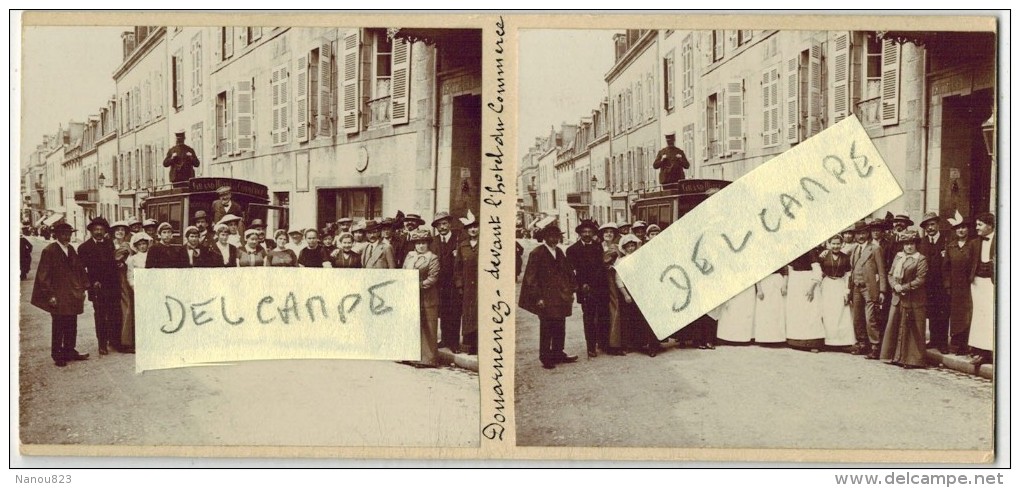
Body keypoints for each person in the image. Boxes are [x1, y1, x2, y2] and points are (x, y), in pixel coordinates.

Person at [30, 222, 90, 367]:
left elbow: (80, 270)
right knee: (59, 325)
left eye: (69, 233)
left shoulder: (70, 249)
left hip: (72, 294)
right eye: (63, 233)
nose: (67, 236)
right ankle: (57, 355)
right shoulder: (49, 251)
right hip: (58, 294)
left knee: (71, 323)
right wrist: (50, 295)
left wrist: (84, 287)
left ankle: (70, 350)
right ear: (56, 234)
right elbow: (43, 276)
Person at [519, 225, 578, 369]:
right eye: (551, 236)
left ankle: (558, 352)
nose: (554, 239)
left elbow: (568, 272)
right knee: (547, 326)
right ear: (545, 237)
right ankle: (545, 357)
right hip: (545, 297)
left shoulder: (559, 252)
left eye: (557, 236)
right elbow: (530, 278)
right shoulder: (537, 253)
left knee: (560, 325)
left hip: (560, 296)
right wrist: (537, 297)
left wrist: (571, 290)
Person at [879, 229, 929, 368]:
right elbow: (890, 274)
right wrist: (895, 285)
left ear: (916, 244)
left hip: (914, 298)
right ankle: (894, 356)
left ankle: (912, 360)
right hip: (898, 297)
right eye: (906, 243)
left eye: (912, 243)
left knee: (913, 328)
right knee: (895, 325)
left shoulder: (920, 259)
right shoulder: (898, 257)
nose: (909, 246)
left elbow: (920, 279)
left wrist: (904, 287)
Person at [77, 217, 123, 355]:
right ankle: (102, 344)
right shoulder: (84, 248)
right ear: (91, 231)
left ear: (105, 231)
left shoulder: (110, 244)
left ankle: (115, 342)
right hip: (98, 287)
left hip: (112, 285)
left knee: (115, 314)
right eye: (96, 229)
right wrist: (91, 283)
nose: (98, 232)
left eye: (101, 229)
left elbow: (113, 263)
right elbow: (81, 270)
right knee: (101, 316)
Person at [566, 219, 609, 358]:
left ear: (593, 233)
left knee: (603, 316)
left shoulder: (598, 246)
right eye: (584, 232)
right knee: (589, 318)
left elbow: (601, 267)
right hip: (586, 289)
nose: (587, 234)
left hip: (601, 287)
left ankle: (602, 343)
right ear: (579, 233)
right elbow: (571, 271)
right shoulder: (572, 250)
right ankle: (591, 347)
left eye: (590, 231)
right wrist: (581, 284)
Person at [614, 234, 660, 356]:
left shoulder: (642, 258)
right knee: (632, 320)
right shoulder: (621, 261)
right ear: (624, 248)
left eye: (632, 245)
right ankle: (634, 344)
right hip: (629, 292)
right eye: (628, 246)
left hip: (644, 292)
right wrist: (625, 294)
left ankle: (652, 346)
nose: (631, 248)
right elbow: (618, 280)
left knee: (648, 319)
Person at [402, 228, 441, 368]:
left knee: (428, 327)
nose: (421, 246)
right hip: (411, 295)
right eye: (418, 243)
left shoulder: (432, 257)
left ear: (428, 244)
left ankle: (427, 359)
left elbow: (433, 277)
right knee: (412, 324)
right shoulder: (410, 256)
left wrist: (417, 285)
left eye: (424, 243)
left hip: (427, 296)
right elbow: (404, 270)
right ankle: (409, 355)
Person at [849, 220, 888, 359]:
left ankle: (875, 346)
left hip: (870, 287)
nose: (861, 236)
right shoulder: (854, 249)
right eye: (858, 233)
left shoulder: (875, 248)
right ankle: (862, 343)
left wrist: (882, 290)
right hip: (856, 287)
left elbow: (882, 271)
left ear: (868, 234)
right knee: (857, 317)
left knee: (870, 317)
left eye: (864, 233)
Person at [942, 213, 976, 355]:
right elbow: (946, 267)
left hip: (969, 285)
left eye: (963, 228)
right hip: (955, 287)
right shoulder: (951, 246)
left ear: (967, 229)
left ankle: (967, 344)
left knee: (968, 313)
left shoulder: (973, 245)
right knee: (957, 315)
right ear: (955, 231)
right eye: (958, 228)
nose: (961, 230)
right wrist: (948, 285)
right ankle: (957, 343)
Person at [917, 212, 950, 353]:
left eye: (932, 224)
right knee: (930, 311)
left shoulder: (947, 240)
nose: (930, 228)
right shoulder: (921, 242)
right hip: (927, 285)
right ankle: (934, 339)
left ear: (938, 224)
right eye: (927, 226)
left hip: (942, 284)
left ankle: (942, 342)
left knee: (942, 312)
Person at [430, 211, 462, 353]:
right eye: (439, 225)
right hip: (439, 283)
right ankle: (444, 339)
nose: (442, 227)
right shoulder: (433, 241)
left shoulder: (458, 239)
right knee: (442, 311)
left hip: (454, 282)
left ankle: (454, 342)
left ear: (449, 224)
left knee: (454, 311)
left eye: (444, 223)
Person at [818, 234, 855, 350]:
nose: (835, 246)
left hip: (839, 285)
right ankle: (826, 341)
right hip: (827, 285)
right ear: (829, 244)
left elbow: (848, 275)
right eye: (833, 244)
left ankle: (841, 341)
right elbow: (819, 271)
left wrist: (847, 290)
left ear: (842, 244)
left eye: (838, 244)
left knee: (840, 312)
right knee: (827, 311)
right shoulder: (824, 256)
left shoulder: (845, 257)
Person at [968, 212, 995, 365]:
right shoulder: (974, 243)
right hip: (977, 283)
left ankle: (990, 351)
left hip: (992, 284)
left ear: (990, 226)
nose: (977, 227)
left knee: (991, 315)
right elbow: (969, 264)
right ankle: (979, 350)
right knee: (979, 315)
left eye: (980, 224)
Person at [455, 212, 481, 355]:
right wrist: (459, 285)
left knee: (479, 313)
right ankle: (469, 344)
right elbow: (457, 267)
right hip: (467, 286)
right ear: (466, 230)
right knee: (469, 314)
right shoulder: (462, 246)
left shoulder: (485, 243)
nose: (473, 230)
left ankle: (479, 345)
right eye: (470, 228)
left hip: (481, 285)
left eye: (475, 227)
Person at [110, 221, 136, 353]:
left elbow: (132, 261)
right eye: (117, 230)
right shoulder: (109, 245)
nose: (120, 232)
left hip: (124, 279)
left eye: (122, 230)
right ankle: (114, 340)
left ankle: (126, 341)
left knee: (127, 308)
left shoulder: (128, 245)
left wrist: (123, 265)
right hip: (112, 279)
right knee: (114, 311)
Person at [752, 266, 788, 345]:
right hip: (764, 283)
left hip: (777, 282)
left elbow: (785, 271)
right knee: (765, 311)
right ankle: (764, 338)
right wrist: (759, 289)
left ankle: (778, 338)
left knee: (777, 310)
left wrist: (784, 285)